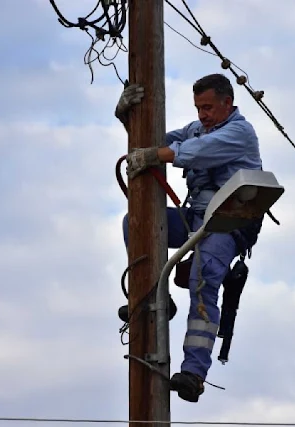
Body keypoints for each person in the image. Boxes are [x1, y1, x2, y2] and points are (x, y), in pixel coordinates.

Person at [115, 73, 263, 403]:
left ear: (228, 103)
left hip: (229, 222)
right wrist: (127, 116)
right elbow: (153, 143)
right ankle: (155, 299)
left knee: (202, 277)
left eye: (208, 107)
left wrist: (155, 155)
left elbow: (192, 153)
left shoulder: (240, 132)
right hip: (196, 217)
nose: (202, 114)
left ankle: (193, 374)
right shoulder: (197, 129)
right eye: (198, 108)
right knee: (134, 224)